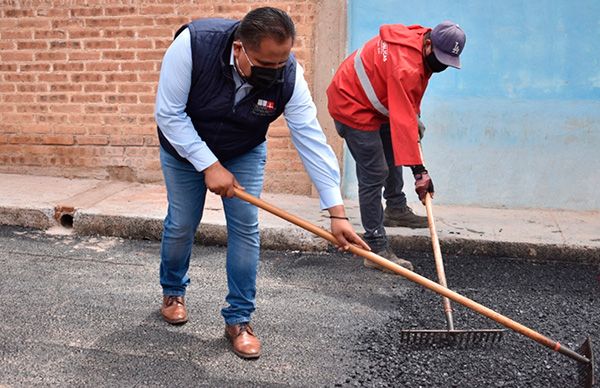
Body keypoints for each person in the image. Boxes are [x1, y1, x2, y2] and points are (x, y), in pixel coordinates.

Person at [154, 7, 368, 360]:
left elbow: (310, 139)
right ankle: (173, 290)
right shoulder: (193, 45)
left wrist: (337, 212)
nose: (275, 72)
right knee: (182, 224)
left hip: (243, 149)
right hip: (183, 148)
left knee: (245, 229)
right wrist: (208, 163)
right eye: (266, 65)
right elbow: (168, 113)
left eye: (281, 63)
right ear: (239, 48)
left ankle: (239, 319)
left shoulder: (289, 76)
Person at [327, 21, 466, 273]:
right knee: (375, 172)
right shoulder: (406, 66)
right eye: (440, 58)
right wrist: (420, 173)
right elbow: (403, 117)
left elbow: (408, 98)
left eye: (448, 61)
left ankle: (396, 207)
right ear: (428, 44)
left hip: (377, 101)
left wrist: (414, 118)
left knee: (393, 147)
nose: (441, 65)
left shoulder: (419, 37)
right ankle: (375, 248)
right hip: (352, 103)